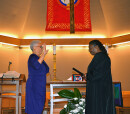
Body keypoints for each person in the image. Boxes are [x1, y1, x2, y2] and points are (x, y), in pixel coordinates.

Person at [85, 40, 115, 114]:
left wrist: (88, 76)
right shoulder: (101, 57)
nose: (89, 50)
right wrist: (87, 75)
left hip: (99, 90)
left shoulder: (101, 57)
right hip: (98, 88)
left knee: (98, 108)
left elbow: (98, 73)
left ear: (96, 46)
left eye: (90, 48)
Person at [25, 40, 49, 114]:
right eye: (40, 47)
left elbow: (47, 69)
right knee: (34, 109)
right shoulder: (32, 57)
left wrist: (42, 56)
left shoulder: (39, 58)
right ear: (34, 48)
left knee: (40, 107)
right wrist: (44, 54)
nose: (42, 48)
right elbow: (36, 65)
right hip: (34, 87)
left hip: (40, 87)